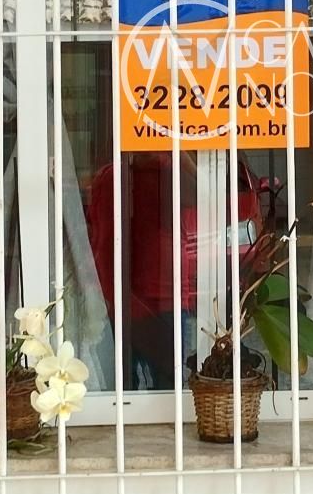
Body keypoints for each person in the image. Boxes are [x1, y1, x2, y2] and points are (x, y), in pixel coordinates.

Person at [85, 152, 266, 385]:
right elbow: (99, 237)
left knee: (155, 385)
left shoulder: (170, 172)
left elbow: (211, 203)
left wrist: (180, 158)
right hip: (127, 299)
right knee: (128, 387)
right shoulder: (114, 177)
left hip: (157, 300)